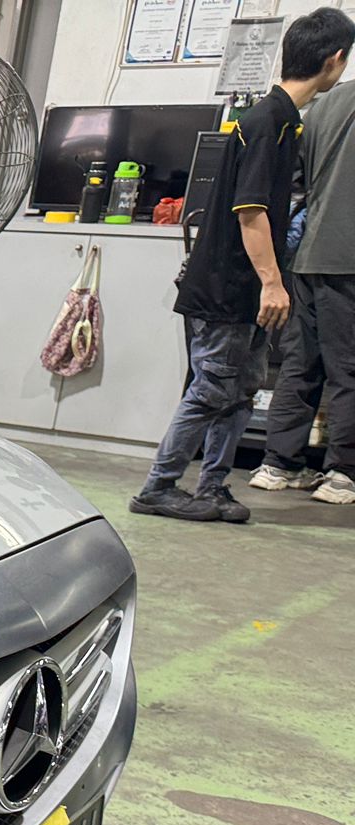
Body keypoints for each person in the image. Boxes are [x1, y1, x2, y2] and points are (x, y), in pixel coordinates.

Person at [132, 7, 354, 524]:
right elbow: (250, 211)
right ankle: (158, 487)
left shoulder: (287, 122)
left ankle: (212, 485)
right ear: (335, 59)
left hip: (248, 289)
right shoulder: (267, 122)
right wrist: (273, 283)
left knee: (240, 394)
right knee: (212, 389)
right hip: (228, 287)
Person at [252, 47, 355, 503]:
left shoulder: (324, 105)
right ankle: (343, 474)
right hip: (348, 259)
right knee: (348, 368)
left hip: (307, 255)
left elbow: (295, 178)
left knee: (301, 362)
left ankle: (279, 464)